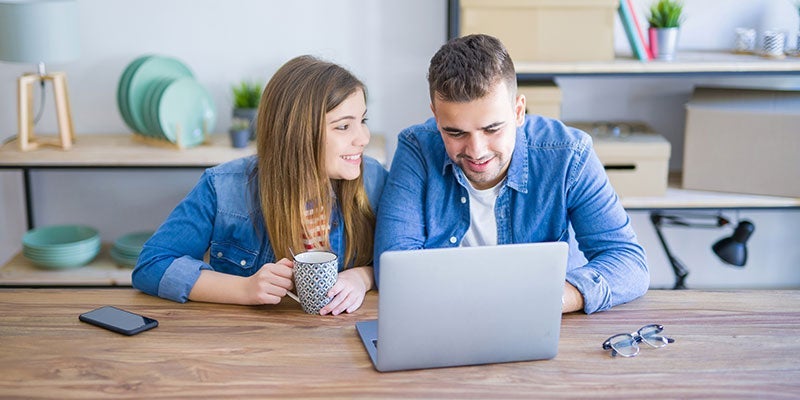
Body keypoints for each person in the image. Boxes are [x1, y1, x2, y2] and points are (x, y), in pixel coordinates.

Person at [373, 34, 648, 314]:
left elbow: (628, 261)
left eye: (492, 129)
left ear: (518, 111)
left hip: (544, 321)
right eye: (455, 132)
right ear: (436, 116)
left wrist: (554, 299)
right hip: (445, 320)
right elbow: (393, 268)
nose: (476, 151)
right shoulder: (417, 147)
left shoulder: (568, 154)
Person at [133, 55, 387, 315]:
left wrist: (363, 277)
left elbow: (405, 257)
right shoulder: (223, 188)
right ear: (296, 134)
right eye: (344, 126)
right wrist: (244, 289)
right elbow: (152, 265)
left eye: (362, 121)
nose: (363, 138)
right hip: (251, 342)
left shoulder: (374, 179)